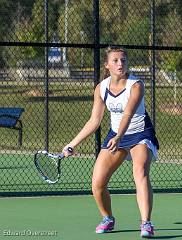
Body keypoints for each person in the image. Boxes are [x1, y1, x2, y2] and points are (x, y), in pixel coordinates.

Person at [62, 46, 159, 238]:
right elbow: (94, 121)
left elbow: (129, 114)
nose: (120, 64)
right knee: (97, 183)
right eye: (115, 60)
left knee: (140, 172)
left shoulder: (136, 85)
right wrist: (72, 144)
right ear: (107, 65)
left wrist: (119, 136)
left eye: (123, 60)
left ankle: (146, 223)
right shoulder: (101, 88)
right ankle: (108, 218)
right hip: (115, 135)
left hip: (140, 134)